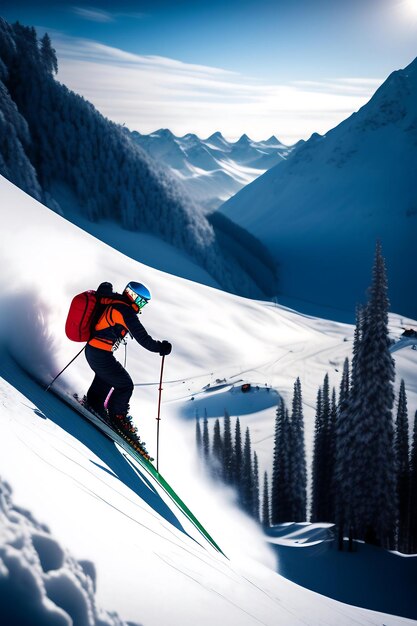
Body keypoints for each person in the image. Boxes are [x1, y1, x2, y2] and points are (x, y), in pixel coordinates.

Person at [84, 281, 172, 440]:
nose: (141, 306)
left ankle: (94, 403)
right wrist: (161, 348)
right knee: (125, 385)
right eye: (141, 301)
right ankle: (118, 418)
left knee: (108, 377)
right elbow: (144, 339)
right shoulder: (125, 311)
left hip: (95, 351)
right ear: (133, 296)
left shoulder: (116, 301)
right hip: (99, 353)